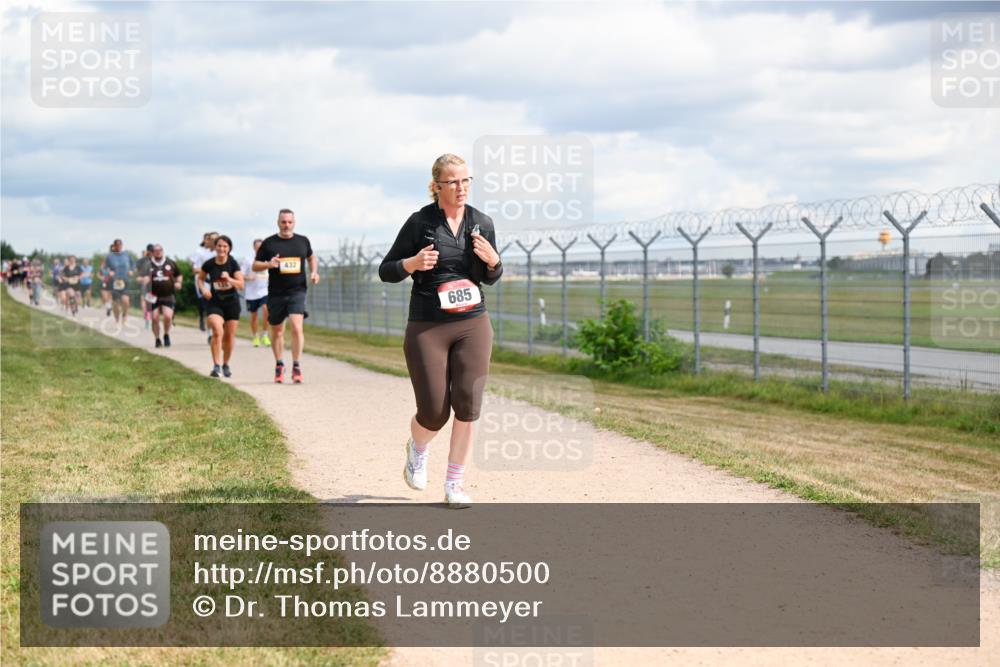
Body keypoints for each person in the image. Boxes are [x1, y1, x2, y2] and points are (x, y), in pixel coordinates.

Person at [378, 153, 502, 508]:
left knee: (467, 405)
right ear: (436, 186)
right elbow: (386, 270)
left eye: (466, 181)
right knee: (434, 412)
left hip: (473, 323)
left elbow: (492, 277)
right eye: (453, 182)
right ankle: (418, 447)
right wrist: (412, 263)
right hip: (428, 325)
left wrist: (494, 262)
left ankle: (454, 484)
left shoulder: (482, 222)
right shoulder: (421, 223)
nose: (461, 188)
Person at [253, 209, 319, 383]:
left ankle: (296, 365)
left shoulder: (302, 241)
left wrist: (314, 272)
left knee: (297, 327)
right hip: (276, 293)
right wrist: (269, 264)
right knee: (277, 330)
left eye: (290, 222)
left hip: (297, 291)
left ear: (294, 223)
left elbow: (311, 257)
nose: (286, 225)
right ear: (278, 222)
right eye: (283, 222)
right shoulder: (269, 243)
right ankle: (279, 364)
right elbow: (255, 265)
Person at [197, 235, 244, 377]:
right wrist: (203, 289)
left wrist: (229, 279)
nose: (222, 249)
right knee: (217, 331)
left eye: (225, 246)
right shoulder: (209, 264)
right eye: (219, 246)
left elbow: (241, 285)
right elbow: (200, 279)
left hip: (232, 303)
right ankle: (216, 366)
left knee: (229, 337)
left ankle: (225, 364)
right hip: (215, 302)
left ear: (229, 248)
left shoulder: (233, 264)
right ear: (215, 247)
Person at [141, 244, 183, 348]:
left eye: (160, 250)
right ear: (152, 252)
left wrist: (179, 282)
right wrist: (144, 279)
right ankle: (157, 338)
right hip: (152, 295)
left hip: (167, 295)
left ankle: (166, 334)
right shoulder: (148, 264)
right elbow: (141, 276)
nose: (158, 252)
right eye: (156, 250)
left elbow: (179, 275)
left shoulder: (170, 262)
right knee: (154, 318)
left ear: (162, 251)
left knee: (168, 316)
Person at [242, 238, 271, 348]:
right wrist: (247, 277)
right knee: (254, 316)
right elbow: (240, 274)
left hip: (265, 291)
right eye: (257, 247)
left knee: (266, 310)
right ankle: (255, 337)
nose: (259, 249)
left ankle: (265, 335)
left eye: (261, 247)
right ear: (254, 248)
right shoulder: (248, 259)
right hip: (251, 293)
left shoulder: (269, 259)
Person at [190, 232, 219, 336]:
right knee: (207, 304)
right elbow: (194, 269)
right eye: (209, 239)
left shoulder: (222, 252)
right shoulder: (201, 253)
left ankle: (217, 328)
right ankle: (209, 331)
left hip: (218, 283)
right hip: (204, 282)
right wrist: (207, 270)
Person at [105, 239, 135, 324]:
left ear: (122, 245)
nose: (119, 246)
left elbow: (133, 264)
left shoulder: (126, 255)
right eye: (117, 245)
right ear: (114, 246)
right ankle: (117, 319)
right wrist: (109, 272)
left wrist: (131, 271)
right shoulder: (110, 257)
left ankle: (125, 314)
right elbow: (104, 268)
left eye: (120, 245)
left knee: (126, 301)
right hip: (114, 282)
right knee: (116, 303)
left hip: (125, 280)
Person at [137, 243, 154, 329]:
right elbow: (139, 272)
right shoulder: (144, 261)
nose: (152, 252)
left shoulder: (157, 260)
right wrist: (140, 278)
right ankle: (147, 317)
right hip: (145, 284)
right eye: (150, 251)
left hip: (153, 285)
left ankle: (148, 319)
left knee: (149, 302)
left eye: (153, 251)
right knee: (143, 300)